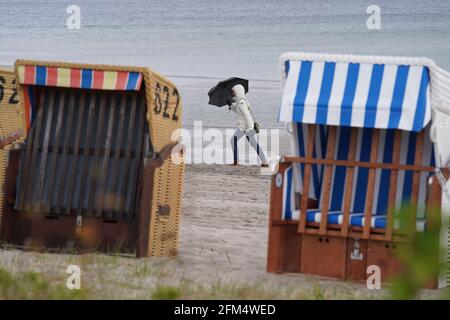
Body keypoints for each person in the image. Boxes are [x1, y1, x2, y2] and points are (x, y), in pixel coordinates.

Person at [228, 84, 268, 167]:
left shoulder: (242, 102)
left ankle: (236, 162)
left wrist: (250, 128)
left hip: (245, 127)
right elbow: (239, 112)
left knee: (233, 141)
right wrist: (230, 105)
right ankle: (265, 162)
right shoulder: (240, 101)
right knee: (253, 144)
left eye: (233, 92)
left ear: (238, 91)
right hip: (245, 127)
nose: (232, 93)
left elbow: (247, 115)